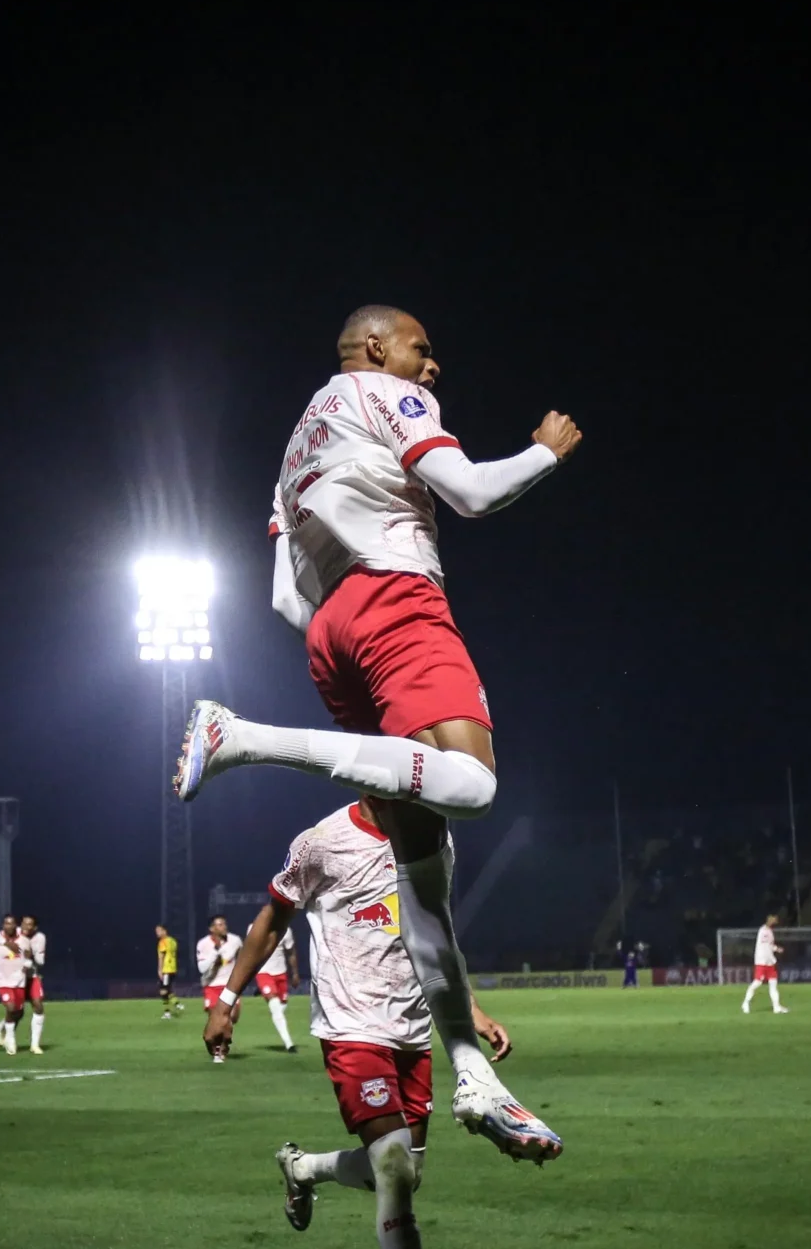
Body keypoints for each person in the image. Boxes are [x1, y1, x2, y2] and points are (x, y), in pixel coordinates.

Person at [175, 305, 579, 1162]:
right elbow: (468, 493)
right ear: (375, 347)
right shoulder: (382, 394)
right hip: (396, 601)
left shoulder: (294, 450)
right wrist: (546, 449)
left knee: (423, 887)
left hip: (331, 637)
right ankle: (241, 736)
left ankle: (475, 1078)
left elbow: (287, 600)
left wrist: (344, 625)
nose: (432, 368)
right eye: (422, 350)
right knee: (472, 785)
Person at [203, 797, 514, 1249]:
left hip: (413, 1031)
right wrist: (226, 1000)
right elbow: (272, 919)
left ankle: (302, 1170)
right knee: (395, 1171)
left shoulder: (434, 840)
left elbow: (437, 936)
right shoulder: (321, 842)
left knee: (402, 1172)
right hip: (352, 1028)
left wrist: (469, 1007)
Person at [197, 915, 243, 1062]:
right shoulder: (203, 944)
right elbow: (201, 968)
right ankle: (219, 1050)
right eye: (219, 924)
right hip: (211, 986)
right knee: (217, 1020)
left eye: (224, 923)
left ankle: (223, 1043)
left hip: (230, 985)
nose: (224, 927)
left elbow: (242, 957)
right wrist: (215, 954)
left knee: (231, 1017)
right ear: (212, 929)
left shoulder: (235, 941)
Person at [0, 915, 28, 1055]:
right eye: (6, 924)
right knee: (11, 1007)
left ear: (16, 925)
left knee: (19, 1013)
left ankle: (1, 1026)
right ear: (3, 925)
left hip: (20, 981)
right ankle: (10, 1039)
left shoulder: (23, 937)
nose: (9, 926)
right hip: (3, 982)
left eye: (12, 923)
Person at [254, 922, 300, 1052]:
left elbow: (290, 952)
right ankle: (289, 1044)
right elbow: (250, 951)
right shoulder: (255, 927)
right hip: (263, 972)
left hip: (280, 973)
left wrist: (295, 973)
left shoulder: (286, 930)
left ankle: (265, 992)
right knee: (275, 1008)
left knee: (281, 1007)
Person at [742, 914, 789, 1015]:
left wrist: (777, 949)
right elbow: (765, 944)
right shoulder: (763, 930)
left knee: (773, 984)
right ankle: (745, 1002)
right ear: (769, 920)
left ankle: (776, 1007)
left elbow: (770, 945)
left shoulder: (770, 932)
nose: (775, 922)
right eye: (773, 920)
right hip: (761, 961)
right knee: (757, 982)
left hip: (770, 961)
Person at [20, 916, 48, 1054]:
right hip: (16, 977)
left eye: (29, 924)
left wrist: (31, 955)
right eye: (24, 923)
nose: (26, 926)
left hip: (32, 977)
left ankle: (34, 1045)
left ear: (35, 927)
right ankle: (1, 1028)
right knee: (15, 1011)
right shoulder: (15, 935)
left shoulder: (40, 938)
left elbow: (41, 962)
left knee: (38, 1006)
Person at [156, 924, 180, 1019]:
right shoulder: (173, 941)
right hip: (173, 968)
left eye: (159, 931)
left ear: (164, 931)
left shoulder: (163, 942)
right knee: (167, 989)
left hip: (166, 969)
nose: (157, 933)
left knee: (164, 991)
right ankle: (177, 1004)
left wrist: (160, 970)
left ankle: (168, 1012)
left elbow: (161, 957)